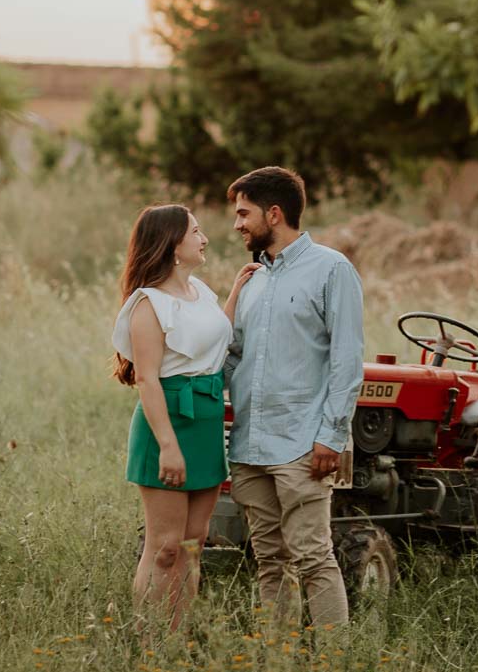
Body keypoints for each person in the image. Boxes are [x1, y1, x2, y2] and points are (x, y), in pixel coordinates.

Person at [224, 165, 364, 631]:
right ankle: (279, 667)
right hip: (250, 447)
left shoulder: (332, 269)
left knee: (314, 559)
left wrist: (332, 436)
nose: (238, 224)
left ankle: (334, 668)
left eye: (244, 213)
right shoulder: (252, 281)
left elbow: (347, 360)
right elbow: (235, 357)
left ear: (275, 213)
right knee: (269, 562)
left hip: (303, 445)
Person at [113, 204, 257, 634]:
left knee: (194, 544)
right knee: (165, 547)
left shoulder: (201, 293)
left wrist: (234, 292)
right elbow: (148, 381)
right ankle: (149, 637)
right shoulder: (148, 304)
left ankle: (178, 634)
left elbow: (213, 340)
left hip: (207, 420)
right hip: (168, 424)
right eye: (196, 231)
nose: (204, 238)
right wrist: (169, 447)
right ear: (172, 244)